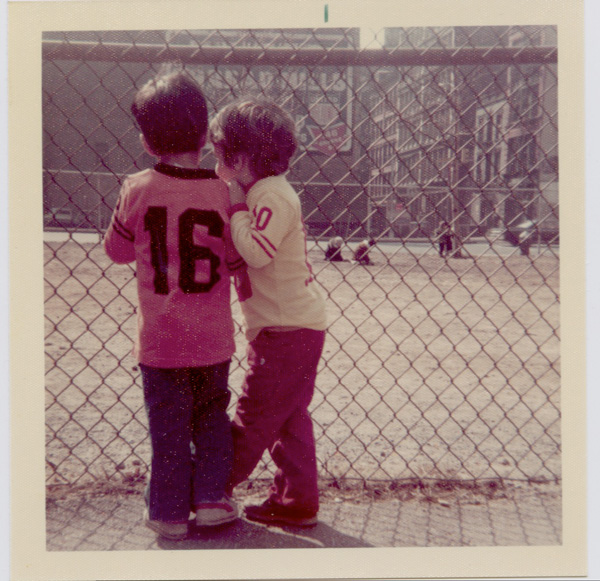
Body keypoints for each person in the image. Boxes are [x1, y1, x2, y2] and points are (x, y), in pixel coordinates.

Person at [103, 69, 242, 540]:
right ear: (205, 136)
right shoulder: (220, 193)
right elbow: (234, 255)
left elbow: (117, 250)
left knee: (167, 430)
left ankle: (166, 512)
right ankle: (211, 501)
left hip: (161, 341)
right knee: (210, 420)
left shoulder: (138, 187)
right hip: (212, 339)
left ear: (145, 141)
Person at [209, 99, 327, 528]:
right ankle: (296, 501)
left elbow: (256, 253)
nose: (215, 164)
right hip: (288, 327)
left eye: (219, 156)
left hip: (287, 331)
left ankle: (211, 490)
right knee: (288, 417)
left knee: (255, 416)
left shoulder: (269, 195)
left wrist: (237, 208)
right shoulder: (267, 193)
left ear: (239, 160)